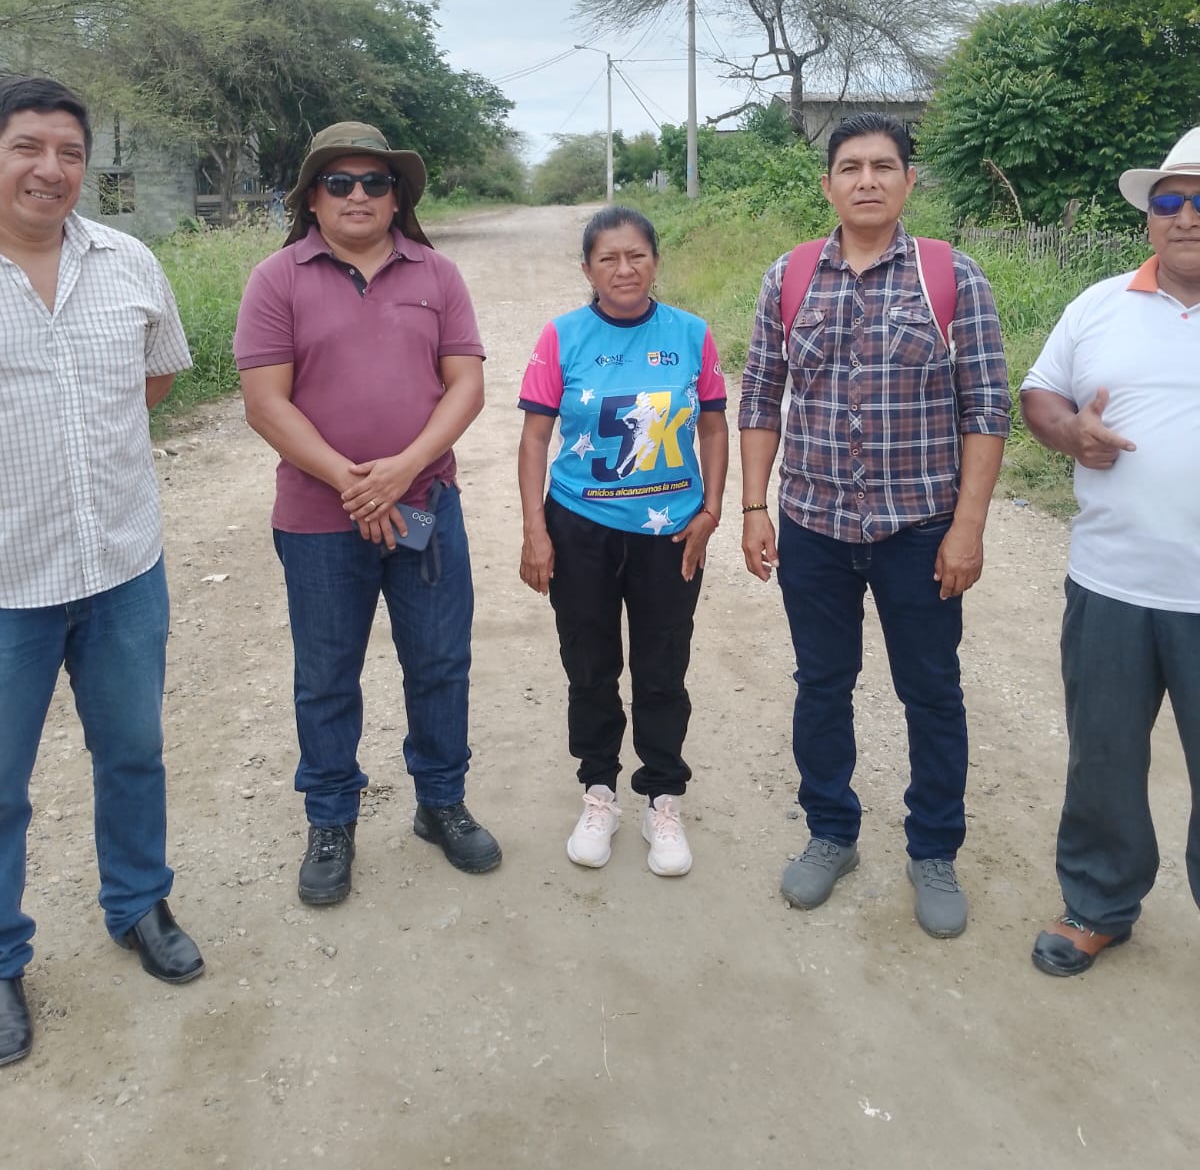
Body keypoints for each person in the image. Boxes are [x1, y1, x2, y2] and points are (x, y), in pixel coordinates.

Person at [738, 113, 1010, 937]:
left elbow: (986, 407)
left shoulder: (952, 276)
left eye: (883, 166)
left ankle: (933, 849)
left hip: (919, 529)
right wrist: (755, 507)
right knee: (821, 685)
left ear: (908, 181)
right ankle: (831, 832)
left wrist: (968, 528)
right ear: (828, 184)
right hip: (814, 525)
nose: (867, 180)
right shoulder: (789, 277)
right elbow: (759, 397)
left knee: (930, 690)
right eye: (850, 167)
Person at [233, 122, 500, 909]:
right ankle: (330, 821)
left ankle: (441, 802)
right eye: (339, 182)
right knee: (325, 678)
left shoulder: (437, 275)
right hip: (319, 523)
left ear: (397, 197)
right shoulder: (276, 279)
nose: (358, 195)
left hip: (425, 509)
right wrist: (354, 484)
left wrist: (404, 469)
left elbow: (466, 385)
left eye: (375, 182)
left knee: (440, 663)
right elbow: (265, 402)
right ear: (312, 198)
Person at [0, 75, 202, 1070]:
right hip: (7, 586)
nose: (51, 169)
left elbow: (153, 380)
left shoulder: (130, 263)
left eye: (69, 152)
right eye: (27, 147)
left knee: (133, 752)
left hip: (123, 564)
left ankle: (138, 904)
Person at [1021, 126, 1200, 976]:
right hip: (1113, 583)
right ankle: (1097, 904)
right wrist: (1071, 434)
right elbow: (1040, 394)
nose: (1187, 215)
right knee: (1104, 757)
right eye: (1171, 199)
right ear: (1149, 216)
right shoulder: (1097, 306)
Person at [517, 206, 728, 877]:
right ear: (587, 269)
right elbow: (534, 438)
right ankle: (600, 791)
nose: (624, 269)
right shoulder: (562, 337)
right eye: (608, 258)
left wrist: (712, 510)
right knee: (590, 663)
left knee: (664, 666)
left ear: (656, 261)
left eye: (636, 255)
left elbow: (714, 427)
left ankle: (663, 798)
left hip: (671, 534)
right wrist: (534, 530)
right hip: (579, 527)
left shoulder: (692, 334)